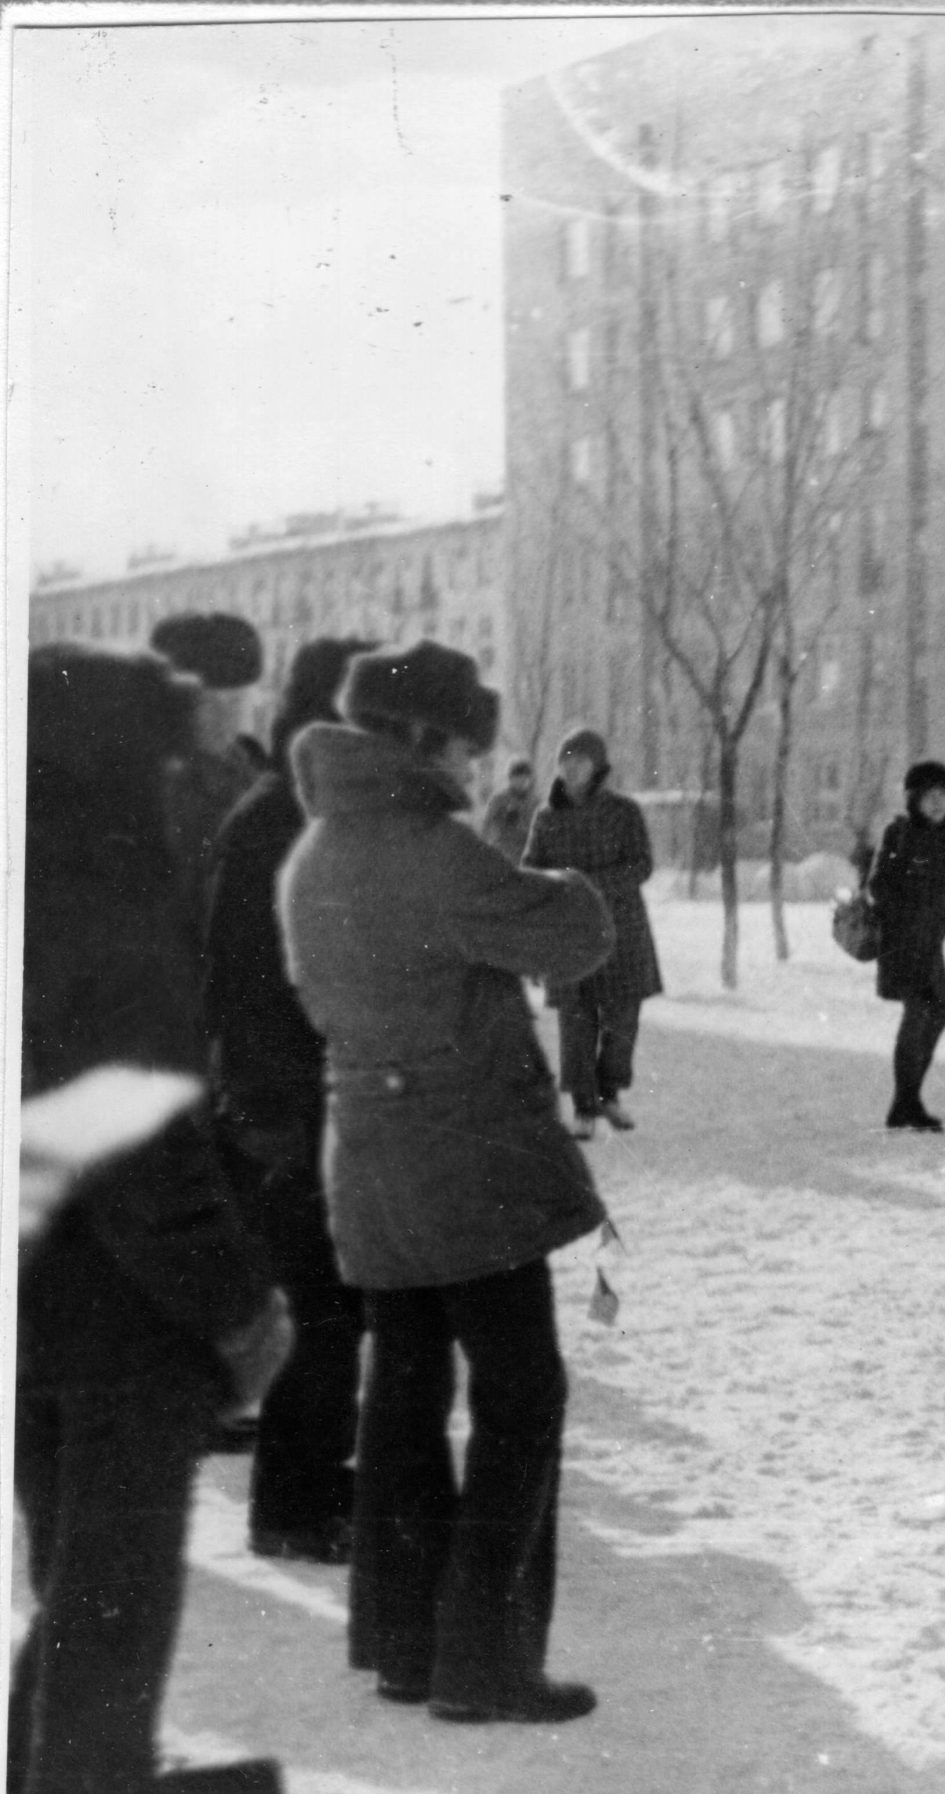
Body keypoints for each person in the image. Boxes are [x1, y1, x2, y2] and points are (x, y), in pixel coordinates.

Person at [13, 645, 289, 1794]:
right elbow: (145, 1164)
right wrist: (243, 1309)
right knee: (108, 1652)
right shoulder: (111, 909)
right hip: (123, 1332)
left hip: (31, 1320)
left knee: (71, 1627)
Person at [281, 641, 615, 1725]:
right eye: (465, 743)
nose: (475, 762)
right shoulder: (431, 850)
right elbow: (575, 935)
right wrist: (559, 868)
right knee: (523, 1394)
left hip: (370, 1159)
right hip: (467, 1164)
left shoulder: (314, 853)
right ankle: (485, 1661)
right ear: (421, 740)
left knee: (406, 1391)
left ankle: (404, 1647)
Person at [203, 637, 377, 1565]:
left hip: (309, 1097)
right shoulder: (276, 820)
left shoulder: (296, 810)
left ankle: (311, 1480)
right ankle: (292, 1506)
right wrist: (273, 1108)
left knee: (333, 1303)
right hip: (286, 1106)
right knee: (320, 1307)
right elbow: (245, 981)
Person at [524, 727, 662, 1139]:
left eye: (580, 760)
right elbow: (530, 869)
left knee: (622, 1022)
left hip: (622, 931)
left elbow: (642, 864)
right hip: (570, 934)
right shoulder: (547, 817)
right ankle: (584, 1107)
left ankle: (610, 1094)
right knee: (576, 1024)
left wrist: (591, 883)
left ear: (598, 766)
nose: (571, 768)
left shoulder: (624, 812)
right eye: (565, 760)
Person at [149, 610, 268, 955]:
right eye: (209, 700)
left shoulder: (248, 768)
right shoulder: (159, 787)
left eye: (238, 698)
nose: (227, 714)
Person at [867, 759, 945, 1131]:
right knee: (918, 1015)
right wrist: (907, 915)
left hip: (931, 944)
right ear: (914, 799)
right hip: (901, 941)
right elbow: (877, 884)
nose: (937, 802)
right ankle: (906, 1104)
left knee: (938, 1015)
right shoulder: (899, 833)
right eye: (929, 795)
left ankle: (906, 1102)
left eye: (943, 794)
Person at [480, 756, 540, 863]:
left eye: (525, 778)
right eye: (518, 778)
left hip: (525, 855)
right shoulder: (499, 800)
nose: (522, 782)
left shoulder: (535, 803)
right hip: (503, 852)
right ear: (511, 778)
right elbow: (486, 825)